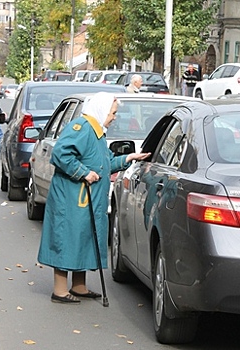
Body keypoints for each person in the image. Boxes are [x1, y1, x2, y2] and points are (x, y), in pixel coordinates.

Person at [37, 92, 150, 303]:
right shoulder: (82, 128)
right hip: (73, 197)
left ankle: (79, 285)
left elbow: (105, 163)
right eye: (113, 112)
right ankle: (60, 290)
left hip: (87, 198)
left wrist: (129, 158)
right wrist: (83, 172)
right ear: (102, 110)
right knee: (68, 237)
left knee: (84, 236)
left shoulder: (97, 132)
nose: (115, 117)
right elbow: (61, 153)